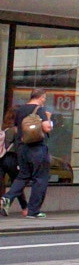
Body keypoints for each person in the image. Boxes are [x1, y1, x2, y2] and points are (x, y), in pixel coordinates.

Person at [2, 89, 54, 219]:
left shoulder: (19, 110)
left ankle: (7, 198)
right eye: (44, 98)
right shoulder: (40, 110)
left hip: (22, 148)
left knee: (23, 176)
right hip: (37, 148)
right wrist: (48, 118)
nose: (44, 100)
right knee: (40, 178)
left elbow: (16, 129)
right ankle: (33, 211)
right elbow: (47, 128)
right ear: (41, 97)